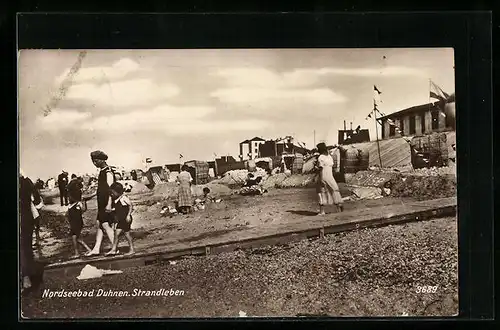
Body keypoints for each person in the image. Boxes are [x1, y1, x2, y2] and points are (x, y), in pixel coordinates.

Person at [85, 150, 116, 256]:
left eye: (96, 161)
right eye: (93, 161)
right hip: (102, 202)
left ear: (102, 160)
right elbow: (101, 189)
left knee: (105, 224)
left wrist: (109, 204)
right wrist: (91, 196)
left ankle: (115, 247)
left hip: (107, 202)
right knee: (100, 224)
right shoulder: (102, 171)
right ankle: (96, 249)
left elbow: (111, 189)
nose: (94, 163)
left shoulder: (108, 172)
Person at [19, 169, 43, 293]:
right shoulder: (26, 181)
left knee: (23, 248)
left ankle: (26, 277)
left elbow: (37, 200)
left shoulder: (25, 182)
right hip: (26, 218)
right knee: (25, 247)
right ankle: (26, 276)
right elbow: (38, 201)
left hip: (23, 218)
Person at [106, 182, 135, 256]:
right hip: (121, 219)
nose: (112, 194)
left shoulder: (123, 198)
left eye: (113, 193)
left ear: (118, 192)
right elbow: (119, 209)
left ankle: (132, 249)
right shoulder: (117, 199)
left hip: (125, 219)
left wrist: (128, 215)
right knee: (117, 234)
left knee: (127, 234)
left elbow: (130, 206)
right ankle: (114, 249)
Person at [66, 174, 92, 258]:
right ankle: (88, 250)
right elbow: (83, 210)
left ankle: (77, 253)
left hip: (76, 223)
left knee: (74, 237)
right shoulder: (75, 203)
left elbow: (83, 210)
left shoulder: (76, 204)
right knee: (78, 238)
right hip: (76, 222)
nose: (68, 198)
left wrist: (83, 202)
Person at [315, 143, 344, 215]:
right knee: (334, 190)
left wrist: (320, 177)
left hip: (323, 175)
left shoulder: (320, 157)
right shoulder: (329, 157)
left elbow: (321, 169)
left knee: (321, 192)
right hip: (330, 176)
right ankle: (339, 206)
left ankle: (322, 211)